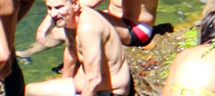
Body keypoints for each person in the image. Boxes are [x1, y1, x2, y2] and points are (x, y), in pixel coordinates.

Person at [23, 0, 133, 96]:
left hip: (107, 95)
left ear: (75, 4)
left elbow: (94, 78)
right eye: (49, 8)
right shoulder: (73, 17)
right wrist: (45, 24)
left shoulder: (88, 28)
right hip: (84, 86)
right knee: (30, 91)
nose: (53, 13)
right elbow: (71, 53)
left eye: (58, 8)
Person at [21, 0, 158, 56]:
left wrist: (49, 18)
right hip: (120, 21)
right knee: (58, 31)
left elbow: (85, 3)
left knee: (73, 16)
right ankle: (26, 53)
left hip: (136, 30)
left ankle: (73, 61)